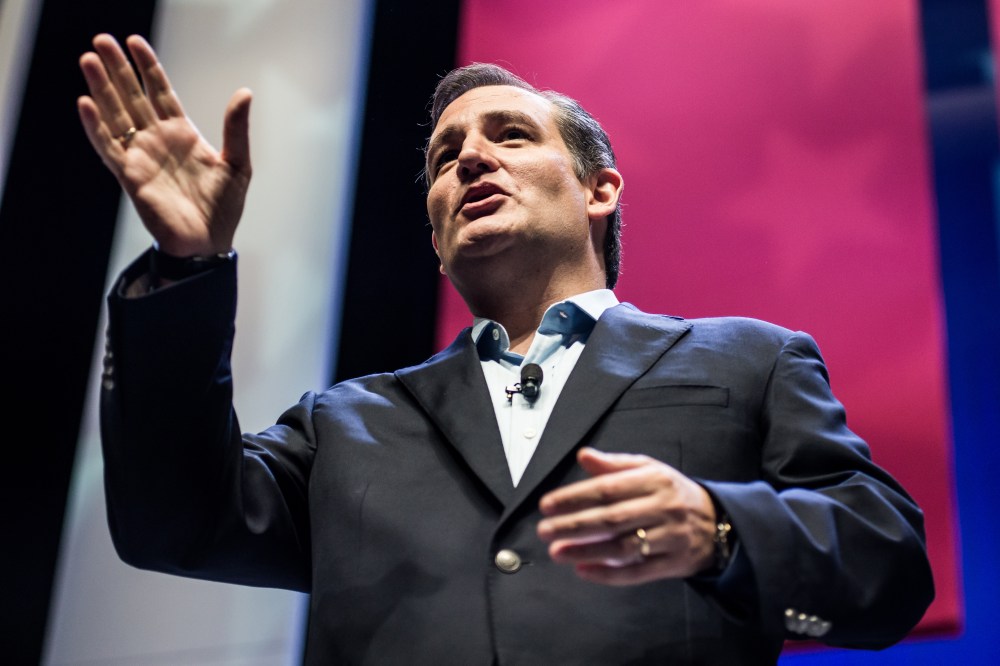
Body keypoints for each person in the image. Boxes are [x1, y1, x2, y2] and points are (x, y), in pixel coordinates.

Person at [79, 33, 934, 665]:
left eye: (511, 135)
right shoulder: (346, 423)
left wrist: (718, 528)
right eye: (446, 158)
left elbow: (885, 565)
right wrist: (188, 271)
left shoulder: (751, 360)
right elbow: (175, 521)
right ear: (437, 230)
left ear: (600, 189)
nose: (470, 159)